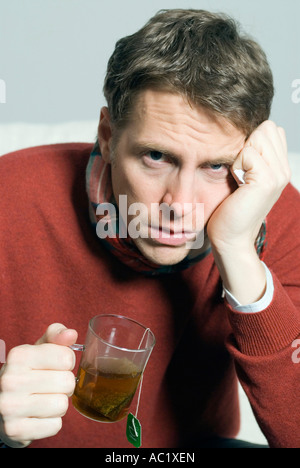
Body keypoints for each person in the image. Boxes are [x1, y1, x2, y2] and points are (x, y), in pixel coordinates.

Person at [0, 9, 299, 449]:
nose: (179, 206)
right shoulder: (11, 195)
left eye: (216, 165)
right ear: (107, 135)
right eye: (156, 157)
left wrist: (237, 250)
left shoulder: (274, 212)